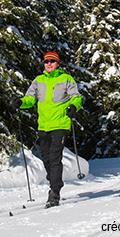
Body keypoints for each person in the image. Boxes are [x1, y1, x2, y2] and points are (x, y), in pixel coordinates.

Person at [12, 51, 82, 208]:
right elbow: (30, 99)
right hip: (43, 125)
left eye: (52, 61)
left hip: (60, 124)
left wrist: (73, 107)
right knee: (46, 158)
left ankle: (54, 192)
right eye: (46, 61)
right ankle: (56, 181)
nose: (49, 64)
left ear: (58, 63)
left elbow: (76, 97)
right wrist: (21, 102)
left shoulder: (66, 79)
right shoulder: (38, 81)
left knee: (55, 157)